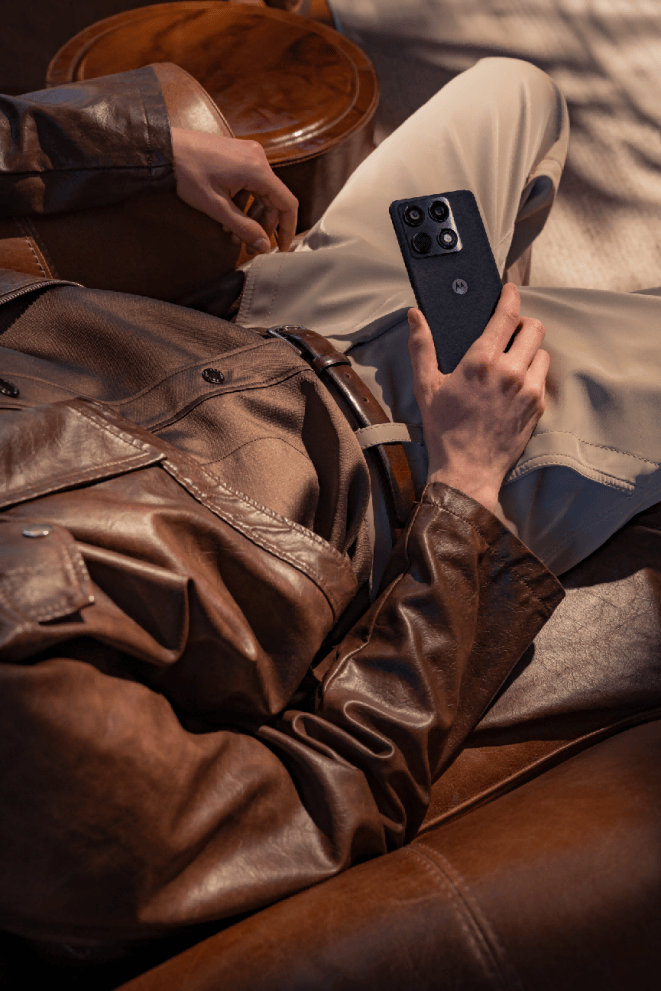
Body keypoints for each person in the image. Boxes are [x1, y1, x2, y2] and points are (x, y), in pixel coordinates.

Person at [0, 52, 647, 956]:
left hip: (262, 319)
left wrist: (148, 145)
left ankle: (509, 329)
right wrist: (467, 487)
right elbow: (326, 796)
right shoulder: (29, 758)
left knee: (515, 92)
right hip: (405, 472)